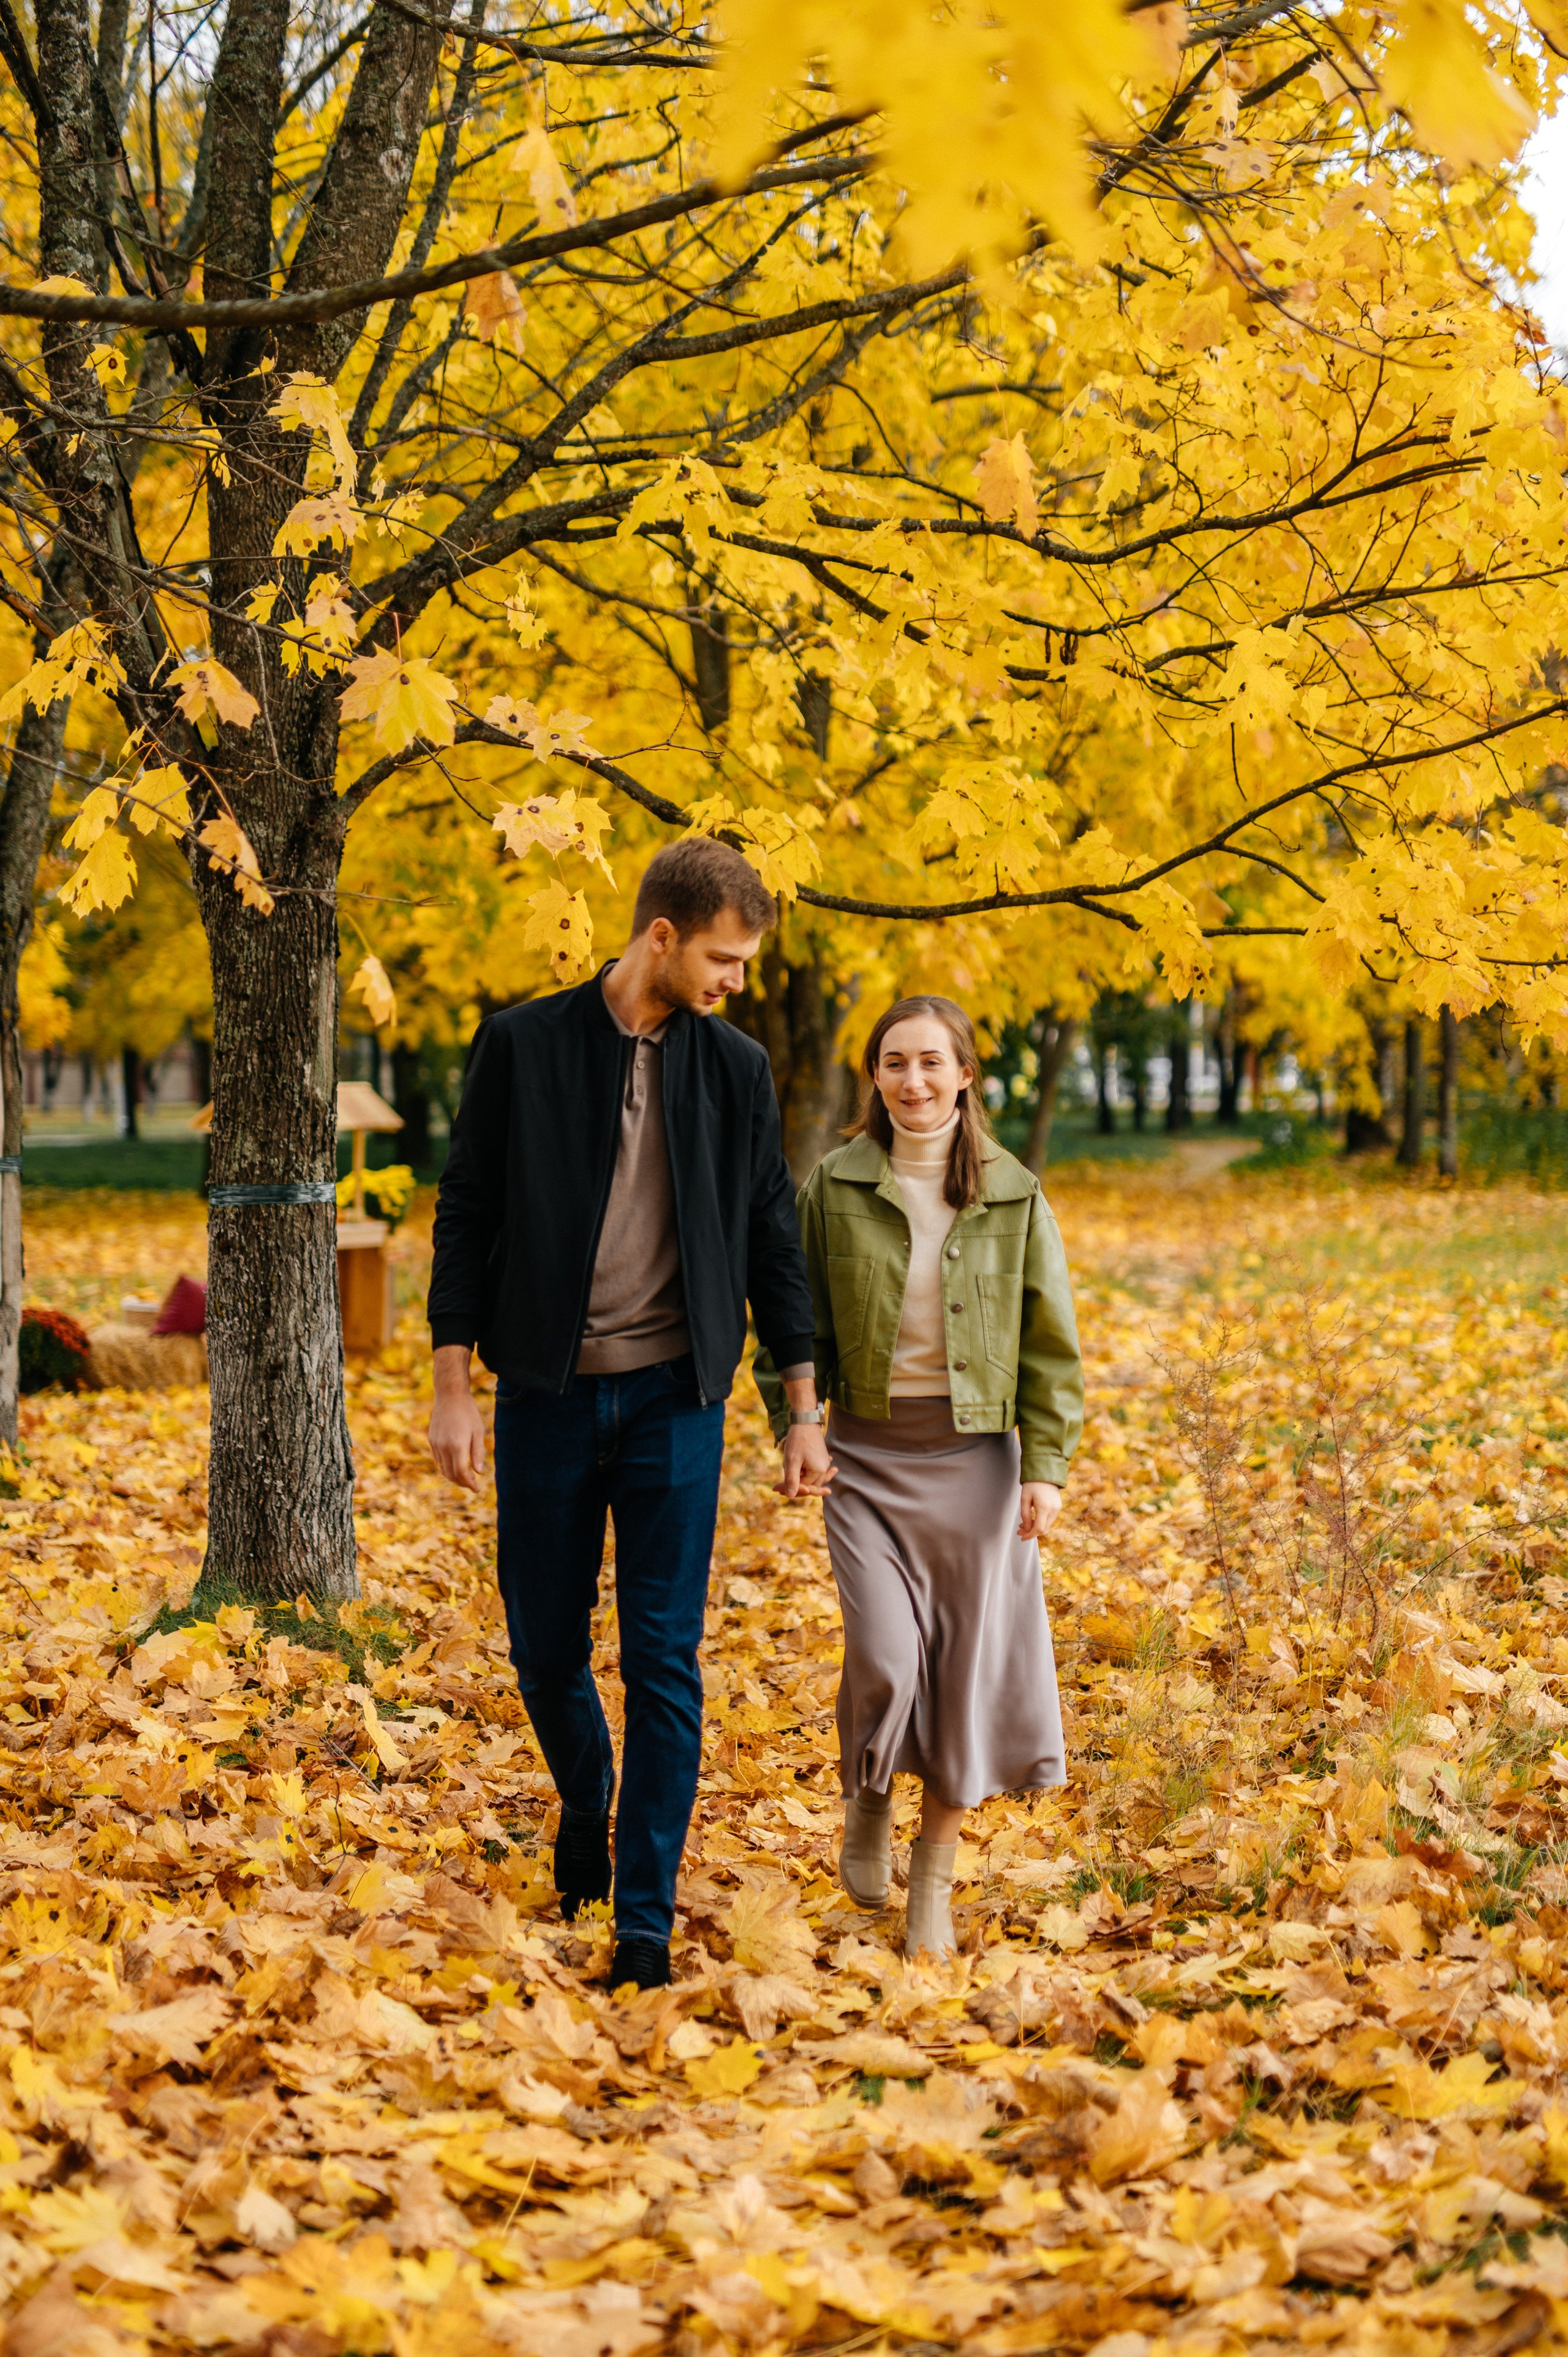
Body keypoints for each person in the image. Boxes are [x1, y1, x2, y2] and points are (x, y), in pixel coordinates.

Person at [426, 838, 829, 1992]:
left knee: (665, 1659)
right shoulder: (523, 1044)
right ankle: (586, 1799)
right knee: (545, 1649)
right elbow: (467, 1210)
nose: (735, 982)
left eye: (744, 965)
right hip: (546, 1397)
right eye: (723, 958)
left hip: (675, 1401)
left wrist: (801, 1406)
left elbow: (770, 1236)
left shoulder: (735, 1068)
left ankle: (642, 1923)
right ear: (661, 936)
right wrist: (454, 1384)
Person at [756, 995, 1082, 1956]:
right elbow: (788, 1322)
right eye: (895, 1063)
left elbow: (1051, 1346)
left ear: (966, 1075)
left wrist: (1047, 1468)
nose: (913, 1081)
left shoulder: (1014, 1195)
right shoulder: (834, 1185)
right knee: (889, 1656)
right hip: (863, 1455)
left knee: (964, 1677)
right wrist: (797, 1424)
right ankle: (867, 1791)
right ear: (875, 1076)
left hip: (979, 1461)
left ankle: (932, 1883)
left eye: (932, 1063)